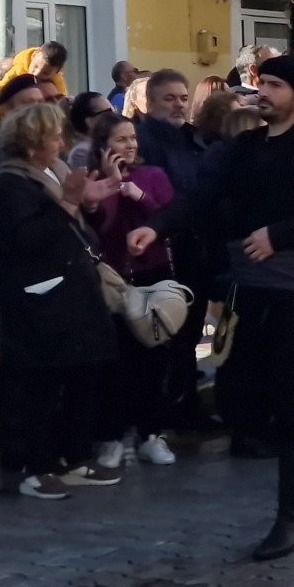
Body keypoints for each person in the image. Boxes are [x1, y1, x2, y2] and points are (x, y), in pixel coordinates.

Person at [130, 55, 294, 560]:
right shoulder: (245, 147)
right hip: (248, 292)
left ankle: (291, 518)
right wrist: (159, 226)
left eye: (274, 85)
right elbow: (201, 198)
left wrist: (280, 235)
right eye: (261, 84)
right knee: (240, 405)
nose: (263, 94)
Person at [0, 102, 121, 501]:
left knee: (81, 375)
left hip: (72, 294)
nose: (61, 144)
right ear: (32, 144)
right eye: (53, 137)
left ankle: (73, 455)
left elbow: (81, 232)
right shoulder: (12, 184)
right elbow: (25, 241)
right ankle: (32, 466)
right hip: (37, 303)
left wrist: (89, 202)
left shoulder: (53, 173)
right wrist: (70, 202)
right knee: (37, 387)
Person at [83, 112, 183, 467]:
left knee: (153, 359)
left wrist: (137, 194)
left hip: (152, 274)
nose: (130, 145)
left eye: (132, 138)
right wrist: (109, 187)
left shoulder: (152, 175)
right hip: (112, 281)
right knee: (113, 362)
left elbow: (170, 219)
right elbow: (98, 230)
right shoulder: (93, 179)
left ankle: (151, 434)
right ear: (103, 145)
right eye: (121, 139)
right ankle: (111, 437)